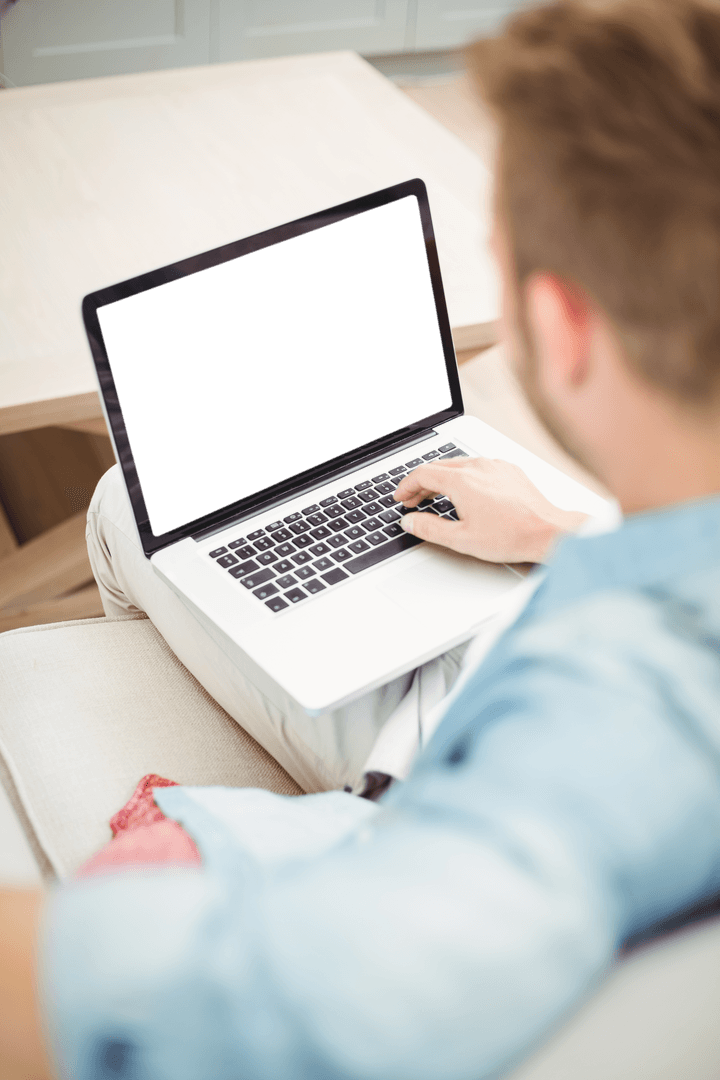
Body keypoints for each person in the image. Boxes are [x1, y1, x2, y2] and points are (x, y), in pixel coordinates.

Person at [4, 0, 720, 1074]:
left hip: (413, 760)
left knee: (122, 505)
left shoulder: (607, 737)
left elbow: (277, 1003)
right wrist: (562, 535)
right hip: (530, 582)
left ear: (564, 330)